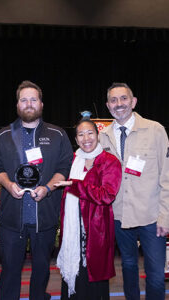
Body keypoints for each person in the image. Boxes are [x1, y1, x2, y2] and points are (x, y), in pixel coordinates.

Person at [0, 80, 73, 300]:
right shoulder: (3, 135)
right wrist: (8, 185)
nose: (29, 104)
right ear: (17, 105)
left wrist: (47, 188)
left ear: (41, 103)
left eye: (33, 99)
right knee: (9, 272)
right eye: (23, 99)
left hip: (44, 216)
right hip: (12, 218)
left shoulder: (58, 135)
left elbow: (64, 167)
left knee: (41, 271)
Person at [99, 82, 169, 300]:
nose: (119, 104)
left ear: (133, 102)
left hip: (152, 217)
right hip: (119, 216)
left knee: (155, 276)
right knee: (128, 268)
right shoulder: (103, 136)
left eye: (123, 98)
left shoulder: (155, 130)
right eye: (114, 100)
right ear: (108, 106)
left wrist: (167, 216)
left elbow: (168, 177)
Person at [55, 115, 122, 300]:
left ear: (97, 134)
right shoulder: (71, 161)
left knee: (94, 280)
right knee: (74, 277)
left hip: (96, 232)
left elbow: (107, 195)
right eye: (81, 135)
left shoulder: (109, 161)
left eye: (90, 133)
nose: (86, 139)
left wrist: (75, 185)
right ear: (76, 139)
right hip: (71, 231)